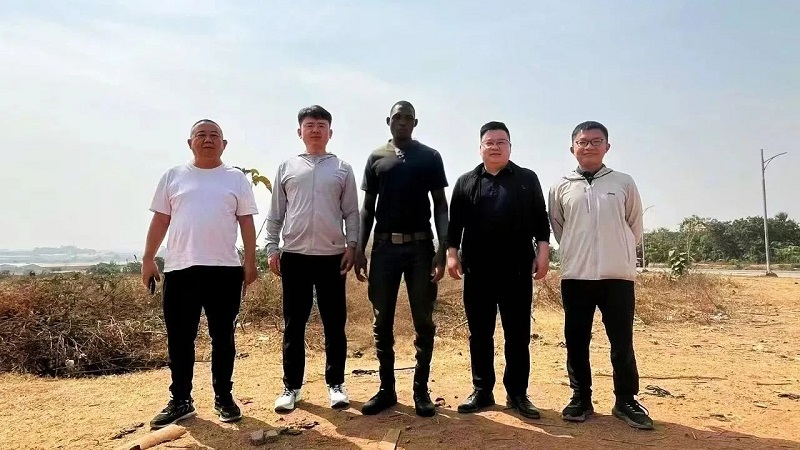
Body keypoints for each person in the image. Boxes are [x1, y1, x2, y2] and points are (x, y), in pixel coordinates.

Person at [141, 119, 258, 429]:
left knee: (223, 337)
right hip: (180, 269)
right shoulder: (174, 176)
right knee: (180, 339)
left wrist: (250, 261)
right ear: (190, 142)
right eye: (201, 135)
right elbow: (161, 220)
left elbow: (246, 222)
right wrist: (149, 258)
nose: (208, 139)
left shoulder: (235, 178)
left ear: (224, 144)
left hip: (225, 270)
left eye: (214, 135)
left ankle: (224, 398)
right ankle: (181, 400)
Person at [548, 120, 654, 430]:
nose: (589, 146)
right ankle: (580, 397)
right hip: (576, 276)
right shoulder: (561, 186)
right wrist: (577, 251)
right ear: (572, 148)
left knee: (622, 341)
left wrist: (618, 251)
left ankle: (626, 400)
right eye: (583, 142)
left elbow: (634, 227)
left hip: (617, 276)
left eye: (596, 141)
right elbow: (559, 228)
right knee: (576, 340)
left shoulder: (623, 182)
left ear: (607, 146)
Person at [446, 121, 551, 419]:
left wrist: (543, 252)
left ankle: (517, 393)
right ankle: (482, 390)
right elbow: (455, 224)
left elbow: (540, 219)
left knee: (517, 334)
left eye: (501, 142)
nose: (495, 147)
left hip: (516, 269)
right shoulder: (466, 182)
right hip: (477, 270)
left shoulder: (526, 179)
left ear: (510, 147)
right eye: (489, 142)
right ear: (480, 147)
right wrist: (452, 255)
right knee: (480, 333)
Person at [354, 100, 449, 417]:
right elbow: (367, 208)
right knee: (382, 321)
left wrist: (442, 248)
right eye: (398, 117)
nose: (403, 122)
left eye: (408, 118)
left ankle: (421, 391)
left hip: (421, 249)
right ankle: (386, 390)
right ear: (388, 121)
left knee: (424, 320)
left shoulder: (430, 157)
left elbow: (441, 205)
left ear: (415, 123)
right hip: (384, 249)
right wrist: (360, 249)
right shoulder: (376, 158)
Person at [266, 105, 360, 412]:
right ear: (300, 131)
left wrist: (352, 245)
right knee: (294, 324)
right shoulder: (287, 167)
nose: (315, 130)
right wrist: (272, 247)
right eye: (310, 125)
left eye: (321, 125)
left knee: (335, 323)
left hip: (332, 256)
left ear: (330, 132)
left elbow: (351, 212)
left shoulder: (342, 168)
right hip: (295, 255)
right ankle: (291, 387)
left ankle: (336, 384)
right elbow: (276, 212)